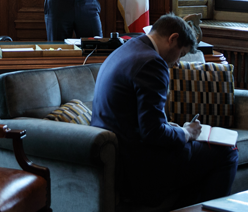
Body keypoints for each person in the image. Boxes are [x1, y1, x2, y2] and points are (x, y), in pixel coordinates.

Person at [91, 14, 239, 208]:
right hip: (139, 164)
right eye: (182, 54)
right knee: (227, 152)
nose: (177, 63)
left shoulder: (127, 49)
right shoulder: (152, 63)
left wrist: (172, 127)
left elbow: (134, 116)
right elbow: (154, 133)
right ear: (173, 39)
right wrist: (187, 132)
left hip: (118, 155)